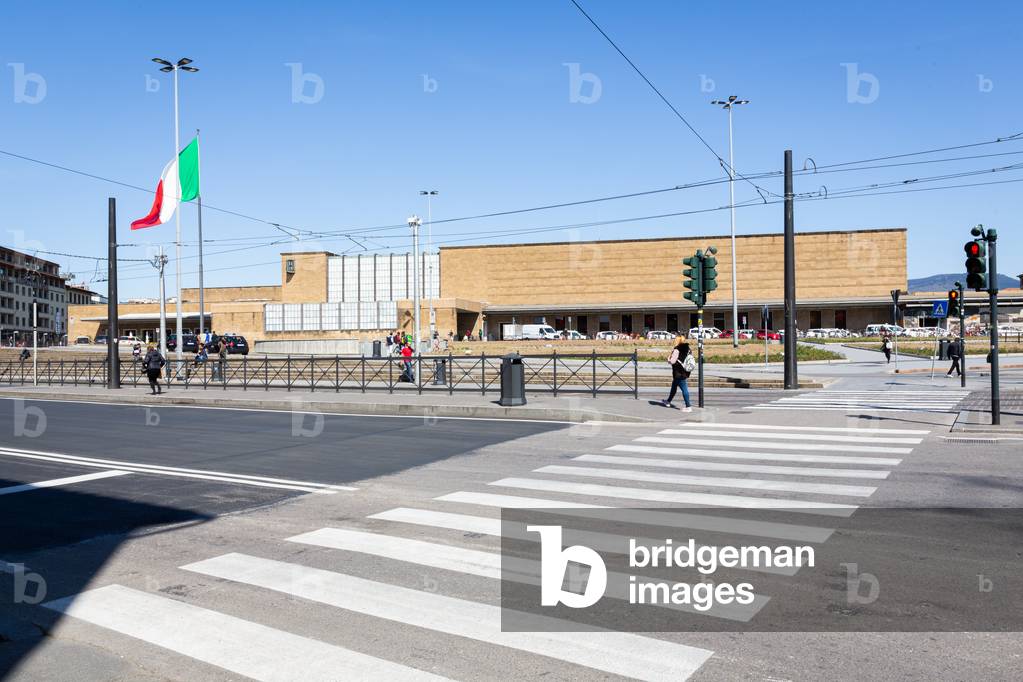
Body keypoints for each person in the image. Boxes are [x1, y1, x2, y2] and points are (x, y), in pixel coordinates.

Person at [661, 337, 693, 412]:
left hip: (678, 372)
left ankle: (688, 406)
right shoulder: (688, 349)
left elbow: (672, 361)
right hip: (685, 371)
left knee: (684, 389)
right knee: (674, 386)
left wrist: (668, 359)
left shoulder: (677, 350)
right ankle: (668, 401)